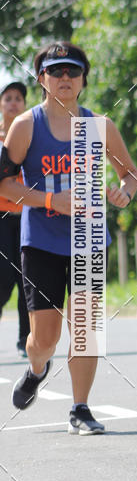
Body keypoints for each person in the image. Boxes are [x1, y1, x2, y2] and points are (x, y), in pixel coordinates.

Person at [0, 41, 137, 433]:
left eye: (72, 72)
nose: (65, 78)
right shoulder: (27, 125)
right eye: (56, 71)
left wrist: (122, 193)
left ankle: (80, 408)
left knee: (85, 328)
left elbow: (130, 174)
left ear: (82, 80)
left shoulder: (99, 127)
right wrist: (49, 199)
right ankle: (36, 368)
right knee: (44, 338)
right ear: (42, 79)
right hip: (41, 240)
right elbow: (6, 184)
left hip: (89, 238)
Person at [0, 81, 30, 356]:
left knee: (27, 279)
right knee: (3, 278)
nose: (13, 102)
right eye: (8, 98)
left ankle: (25, 339)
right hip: (1, 219)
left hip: (27, 217)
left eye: (18, 98)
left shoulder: (29, 139)